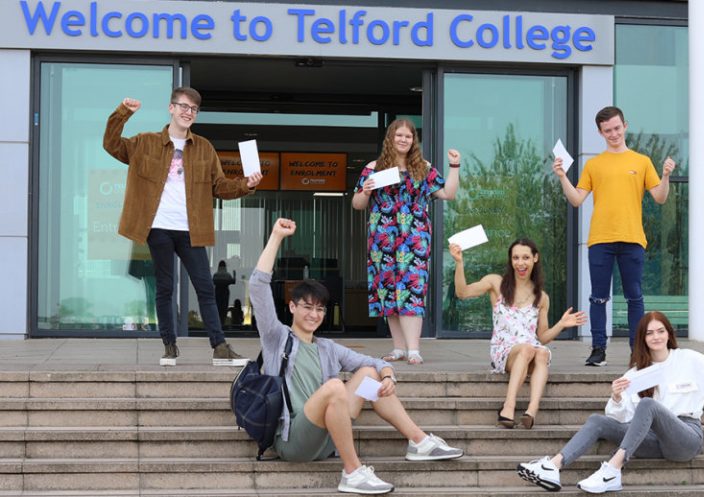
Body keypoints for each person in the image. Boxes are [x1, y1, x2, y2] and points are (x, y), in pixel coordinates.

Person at [250, 218, 464, 495]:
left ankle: (419, 441)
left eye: (320, 309)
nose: (314, 315)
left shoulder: (327, 348)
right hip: (294, 442)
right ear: (291, 307)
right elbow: (257, 286)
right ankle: (352, 472)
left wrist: (387, 374)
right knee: (335, 386)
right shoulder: (276, 337)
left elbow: (375, 363)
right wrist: (277, 236)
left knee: (368, 374)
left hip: (327, 438)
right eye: (307, 307)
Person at [103, 86, 262, 367]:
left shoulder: (203, 148)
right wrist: (123, 112)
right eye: (184, 106)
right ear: (171, 108)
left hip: (192, 229)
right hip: (158, 227)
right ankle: (169, 346)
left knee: (205, 287)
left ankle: (220, 347)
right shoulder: (145, 143)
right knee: (165, 287)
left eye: (194, 109)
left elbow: (220, 186)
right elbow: (111, 143)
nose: (188, 112)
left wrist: (245, 185)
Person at [517, 310, 704, 494]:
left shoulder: (689, 359)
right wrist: (617, 398)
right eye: (649, 333)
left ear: (669, 334)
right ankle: (553, 467)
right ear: (643, 338)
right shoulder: (636, 374)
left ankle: (613, 470)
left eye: (660, 331)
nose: (656, 337)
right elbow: (621, 419)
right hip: (652, 442)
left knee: (648, 405)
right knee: (598, 420)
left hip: (686, 438)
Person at [552, 106, 676, 366]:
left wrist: (665, 175)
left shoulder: (641, 161)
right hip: (600, 240)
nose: (613, 134)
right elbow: (576, 199)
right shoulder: (594, 164)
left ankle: (637, 353)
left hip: (632, 239)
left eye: (617, 128)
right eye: (607, 130)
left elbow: (660, 197)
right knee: (598, 297)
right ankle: (598, 350)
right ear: (600, 132)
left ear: (625, 126)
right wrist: (563, 177)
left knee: (635, 297)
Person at [352, 119, 461, 365]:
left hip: (414, 237)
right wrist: (366, 191)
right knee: (389, 290)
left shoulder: (423, 168)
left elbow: (448, 194)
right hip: (383, 239)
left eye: (408, 136)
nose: (403, 140)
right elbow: (357, 205)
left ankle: (414, 349)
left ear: (414, 141)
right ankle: (399, 348)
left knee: (412, 289)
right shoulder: (373, 168)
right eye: (398, 135)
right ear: (390, 138)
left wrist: (455, 166)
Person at [450, 239, 586, 429]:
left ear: (535, 259)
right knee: (528, 349)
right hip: (504, 351)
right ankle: (508, 406)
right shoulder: (496, 283)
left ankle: (531, 410)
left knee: (542, 352)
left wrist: (562, 324)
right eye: (515, 258)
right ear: (510, 260)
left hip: (530, 350)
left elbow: (543, 337)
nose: (520, 263)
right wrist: (459, 262)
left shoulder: (542, 297)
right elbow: (462, 292)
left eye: (525, 258)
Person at [213, 260, 236, 325]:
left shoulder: (216, 275)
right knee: (223, 309)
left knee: (218, 309)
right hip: (225, 293)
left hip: (218, 293)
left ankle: (219, 323)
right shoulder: (227, 275)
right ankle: (222, 323)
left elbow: (212, 281)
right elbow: (233, 281)